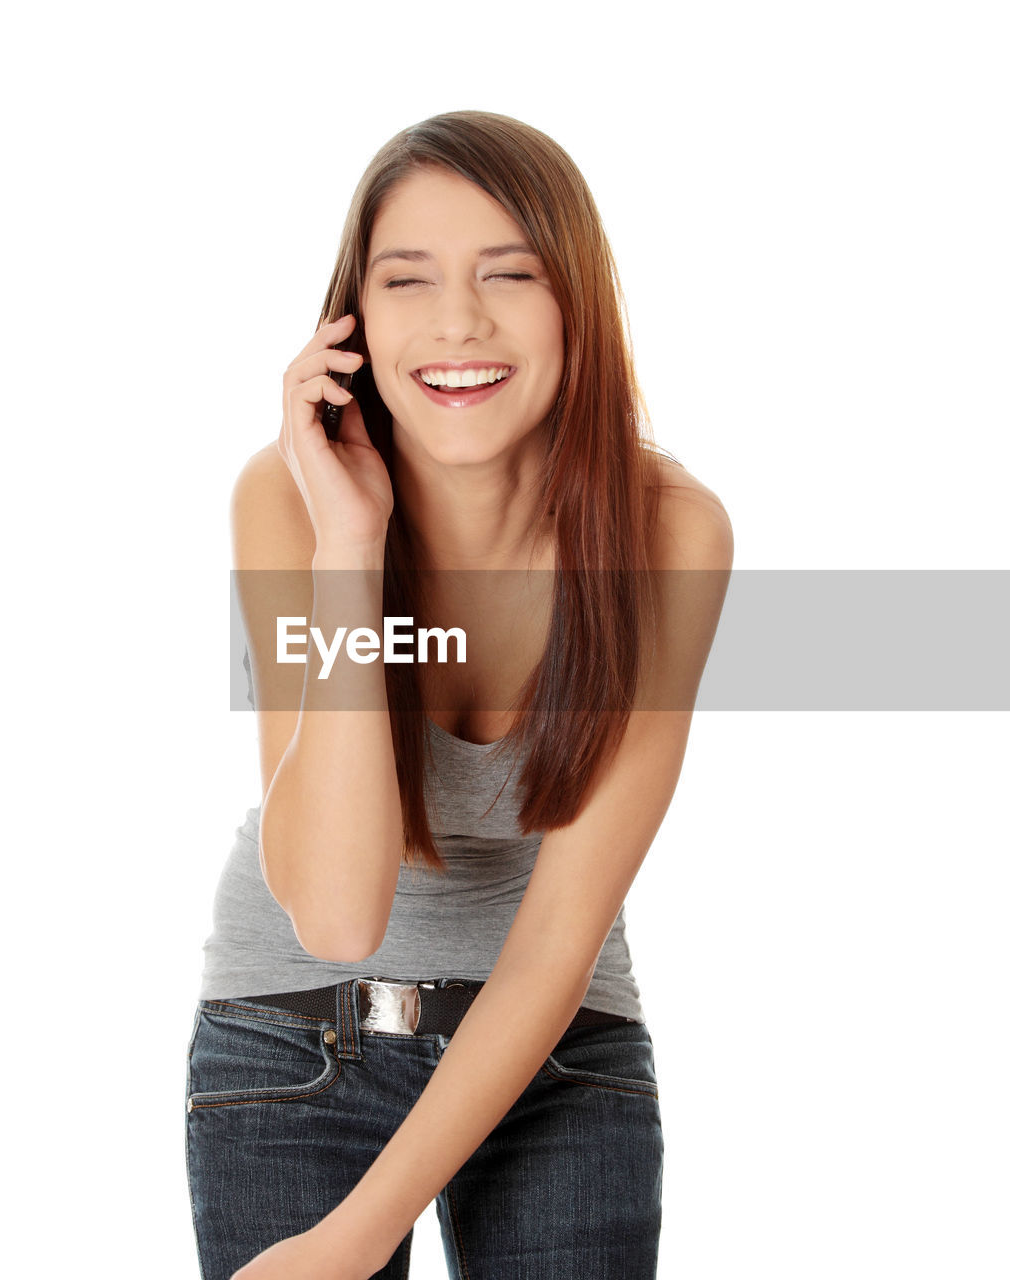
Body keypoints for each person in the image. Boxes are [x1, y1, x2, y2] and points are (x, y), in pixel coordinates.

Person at [184, 109, 732, 1280]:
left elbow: (555, 943)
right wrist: (349, 544)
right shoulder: (285, 501)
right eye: (406, 279)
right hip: (290, 1028)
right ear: (351, 321)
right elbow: (336, 914)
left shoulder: (667, 534)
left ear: (575, 302)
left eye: (508, 274)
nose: (456, 322)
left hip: (555, 1044)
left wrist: (352, 1237)